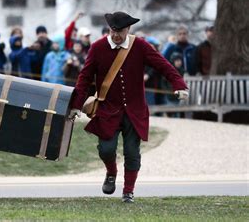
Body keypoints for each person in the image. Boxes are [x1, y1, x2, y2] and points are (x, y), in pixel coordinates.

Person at [69, 11, 189, 203]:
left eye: (120, 31)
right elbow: (84, 78)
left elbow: (162, 65)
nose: (116, 35)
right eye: (113, 30)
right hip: (107, 110)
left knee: (132, 153)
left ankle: (128, 191)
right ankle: (111, 172)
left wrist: (179, 84)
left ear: (128, 29)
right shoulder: (97, 47)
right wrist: (76, 105)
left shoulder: (140, 45)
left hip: (135, 110)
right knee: (106, 150)